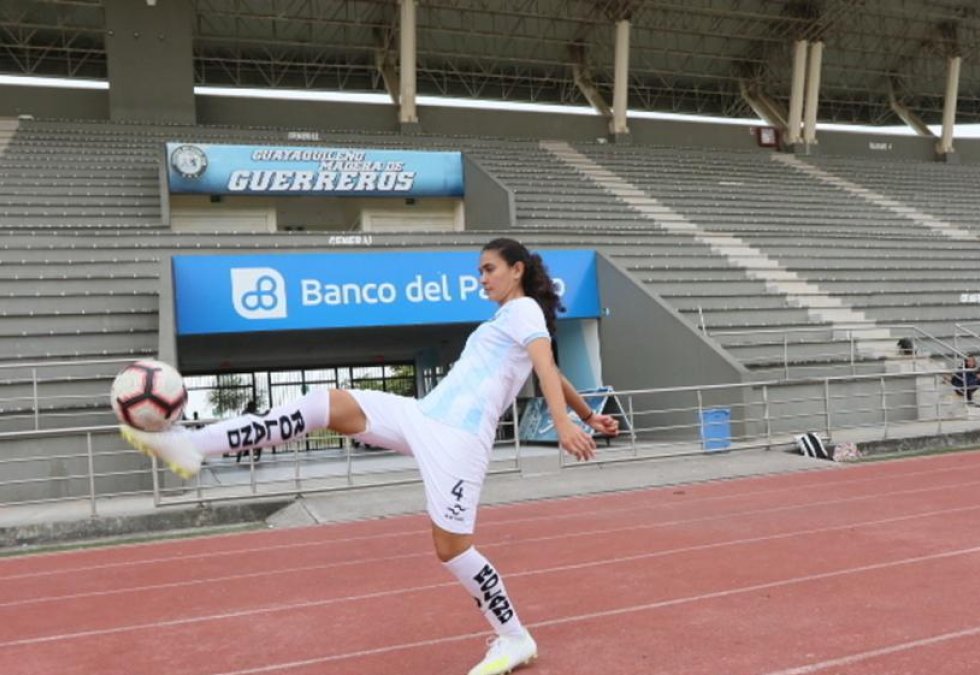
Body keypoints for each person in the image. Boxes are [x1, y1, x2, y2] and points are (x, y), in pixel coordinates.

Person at [120, 238, 620, 675]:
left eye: (488, 268)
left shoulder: (525, 309)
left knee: (452, 549)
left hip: (457, 441)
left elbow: (546, 367)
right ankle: (192, 445)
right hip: (422, 414)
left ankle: (514, 637)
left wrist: (563, 423)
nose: (481, 278)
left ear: (517, 269)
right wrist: (589, 414)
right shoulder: (507, 317)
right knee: (325, 404)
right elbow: (557, 372)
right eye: (479, 271)